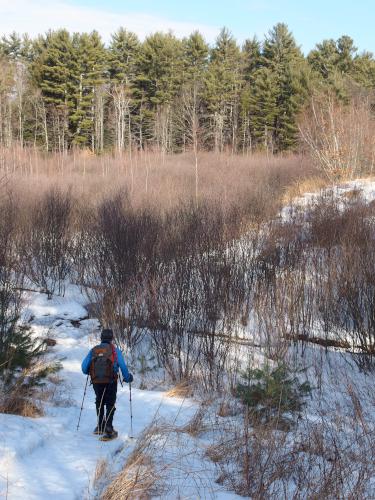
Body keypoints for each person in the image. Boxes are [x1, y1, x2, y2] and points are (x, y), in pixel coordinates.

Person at [81, 328, 133, 440]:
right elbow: (123, 366)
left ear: (101, 338)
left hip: (96, 381)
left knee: (99, 401)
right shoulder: (114, 350)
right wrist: (128, 378)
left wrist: (92, 372)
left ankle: (100, 426)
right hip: (110, 381)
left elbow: (84, 368)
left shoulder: (94, 350)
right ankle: (109, 429)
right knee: (110, 403)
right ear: (111, 338)